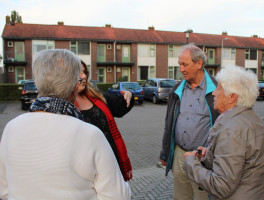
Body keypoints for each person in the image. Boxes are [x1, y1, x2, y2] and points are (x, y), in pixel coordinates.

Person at [0, 49, 131, 200]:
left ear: (38, 83)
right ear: (75, 88)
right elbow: (118, 196)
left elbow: (3, 190)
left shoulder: (11, 128)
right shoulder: (90, 134)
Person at [184, 65, 264, 200]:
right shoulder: (253, 119)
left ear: (232, 97)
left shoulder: (232, 130)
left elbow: (220, 186)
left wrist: (191, 163)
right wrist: (209, 155)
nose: (213, 93)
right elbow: (244, 162)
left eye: (218, 88)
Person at [160, 44, 220, 200]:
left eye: (185, 64)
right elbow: (169, 124)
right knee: (180, 197)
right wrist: (165, 153)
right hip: (180, 154)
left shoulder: (217, 89)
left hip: (202, 157)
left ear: (199, 63)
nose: (181, 69)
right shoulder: (176, 90)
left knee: (203, 197)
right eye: (179, 64)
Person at [75, 61, 133, 181]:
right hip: (87, 169)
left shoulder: (95, 95)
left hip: (111, 160)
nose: (84, 76)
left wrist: (129, 95)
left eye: (85, 72)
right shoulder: (64, 105)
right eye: (78, 73)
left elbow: (120, 107)